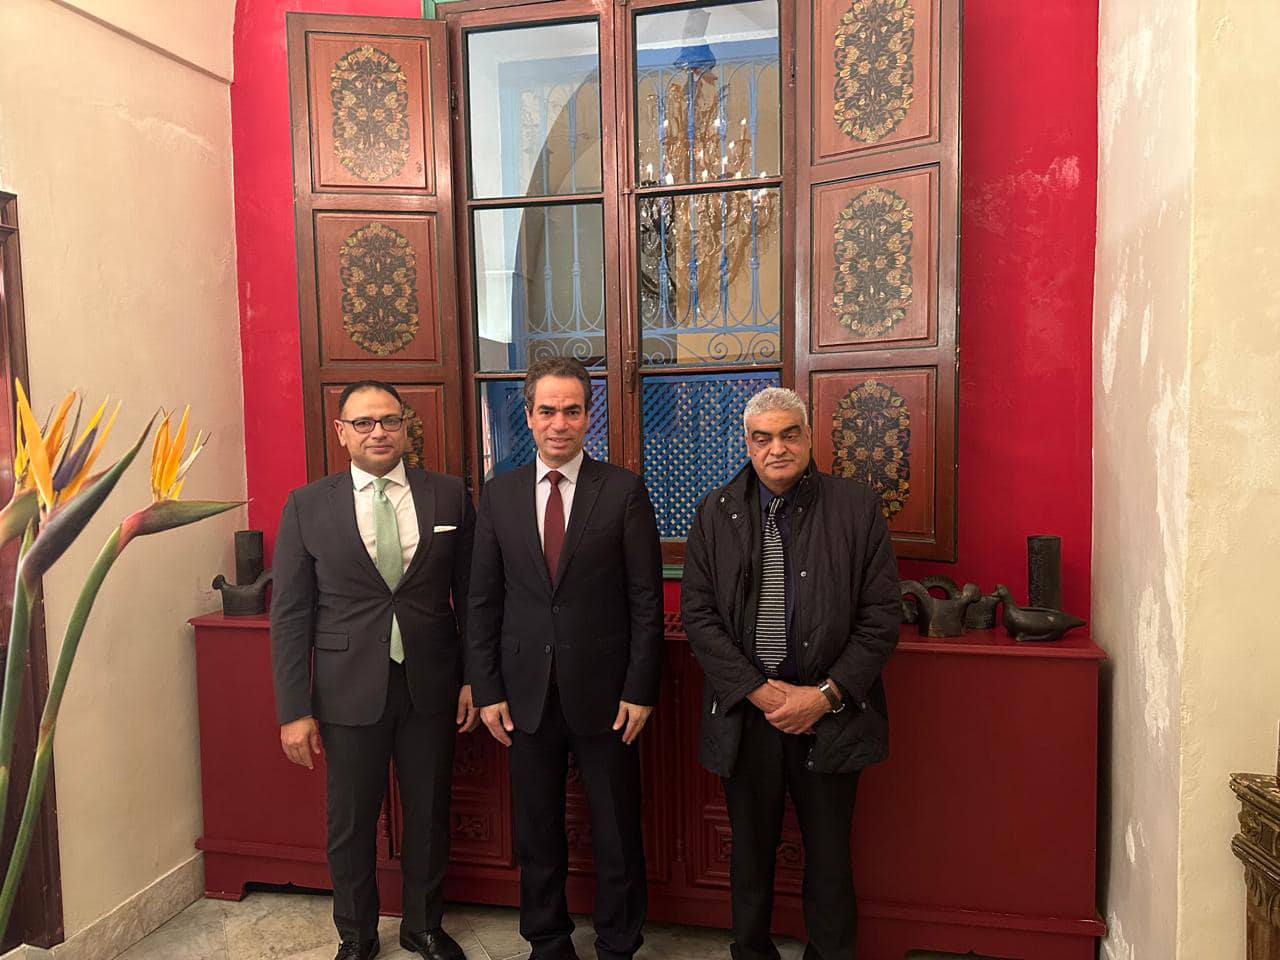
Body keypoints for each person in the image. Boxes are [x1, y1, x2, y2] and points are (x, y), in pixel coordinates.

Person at [680, 386, 901, 960]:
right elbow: (698, 616)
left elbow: (881, 618)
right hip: (747, 717)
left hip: (831, 716)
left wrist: (823, 696)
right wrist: (759, 692)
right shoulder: (715, 511)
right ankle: (751, 952)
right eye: (762, 438)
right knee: (749, 855)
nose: (776, 448)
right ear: (747, 445)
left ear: (808, 437)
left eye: (788, 434)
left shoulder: (855, 507)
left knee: (829, 858)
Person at [271, 380, 477, 960]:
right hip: (346, 689)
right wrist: (294, 710)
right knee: (351, 821)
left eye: (388, 420)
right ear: (342, 433)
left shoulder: (448, 497)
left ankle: (423, 926)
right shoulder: (307, 505)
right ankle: (356, 934)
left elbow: (473, 596)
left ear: (406, 427)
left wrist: (473, 679)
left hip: (431, 683)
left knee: (429, 814)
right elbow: (290, 614)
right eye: (363, 422)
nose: (377, 432)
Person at [467, 356, 664, 960]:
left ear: (588, 417)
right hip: (524, 693)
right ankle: (547, 941)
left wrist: (640, 689)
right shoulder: (499, 495)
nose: (559, 423)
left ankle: (618, 944)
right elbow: (482, 601)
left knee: (616, 830)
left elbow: (646, 601)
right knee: (536, 832)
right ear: (528, 416)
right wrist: (487, 689)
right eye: (548, 410)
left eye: (572, 411)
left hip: (607, 696)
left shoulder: (623, 491)